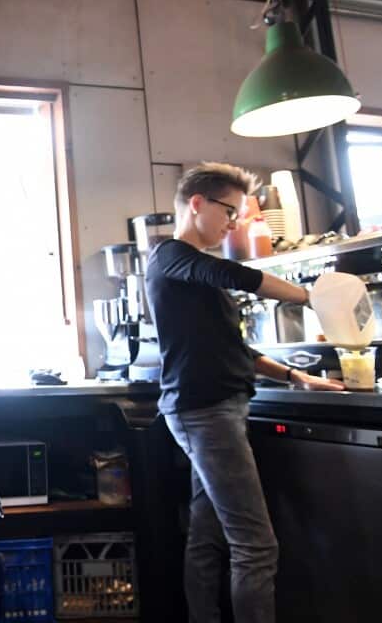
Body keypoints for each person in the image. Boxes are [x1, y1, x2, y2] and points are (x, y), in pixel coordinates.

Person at [146, 162, 343, 623]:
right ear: (197, 203)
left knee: (208, 532)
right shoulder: (171, 256)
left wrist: (297, 376)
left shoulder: (191, 272)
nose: (232, 224)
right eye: (229, 212)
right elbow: (237, 275)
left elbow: (236, 348)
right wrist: (310, 297)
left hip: (215, 410)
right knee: (256, 545)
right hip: (206, 413)